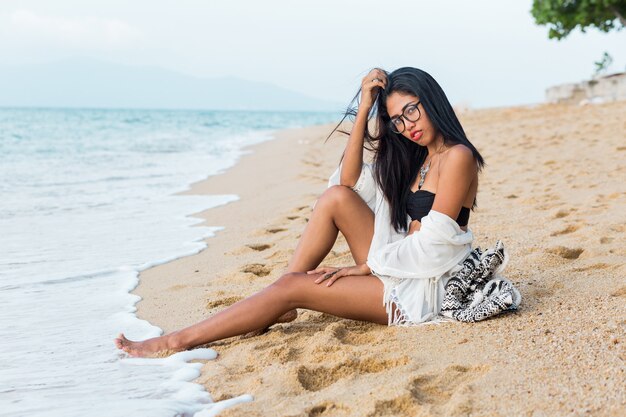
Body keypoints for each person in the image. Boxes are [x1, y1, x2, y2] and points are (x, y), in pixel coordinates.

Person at [115, 67, 497, 357]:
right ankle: (279, 301)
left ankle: (176, 340)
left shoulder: (458, 157)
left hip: (424, 286)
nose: (406, 125)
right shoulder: (418, 158)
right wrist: (364, 107)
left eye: (411, 111)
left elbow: (434, 246)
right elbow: (348, 182)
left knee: (292, 286)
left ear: (431, 101)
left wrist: (367, 266)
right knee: (335, 197)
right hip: (400, 261)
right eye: (397, 119)